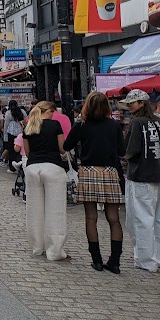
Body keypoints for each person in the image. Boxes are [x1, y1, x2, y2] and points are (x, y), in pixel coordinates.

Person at [64, 91, 125, 273]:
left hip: (89, 172)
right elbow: (121, 151)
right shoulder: (114, 126)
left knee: (91, 217)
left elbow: (67, 146)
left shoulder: (81, 125)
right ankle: (114, 262)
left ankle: (96, 260)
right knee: (113, 219)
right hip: (110, 172)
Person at [22, 101, 70, 262]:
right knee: (55, 210)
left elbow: (27, 153)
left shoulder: (29, 127)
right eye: (52, 112)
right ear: (48, 111)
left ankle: (37, 247)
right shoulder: (55, 125)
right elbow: (62, 148)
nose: (53, 114)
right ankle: (55, 250)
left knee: (34, 209)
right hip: (53, 167)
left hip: (33, 168)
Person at [122, 89, 160, 273]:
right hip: (157, 173)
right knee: (158, 219)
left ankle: (146, 259)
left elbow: (131, 149)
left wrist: (124, 157)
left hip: (141, 174)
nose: (129, 106)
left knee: (142, 218)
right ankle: (157, 256)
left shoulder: (137, 123)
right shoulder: (158, 121)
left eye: (132, 103)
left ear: (142, 104)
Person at [3, 100, 26, 172]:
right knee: (21, 150)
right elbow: (26, 120)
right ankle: (21, 166)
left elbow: (6, 125)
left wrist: (5, 137)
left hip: (11, 133)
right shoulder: (22, 111)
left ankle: (12, 168)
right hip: (21, 132)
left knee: (11, 150)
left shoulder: (8, 113)